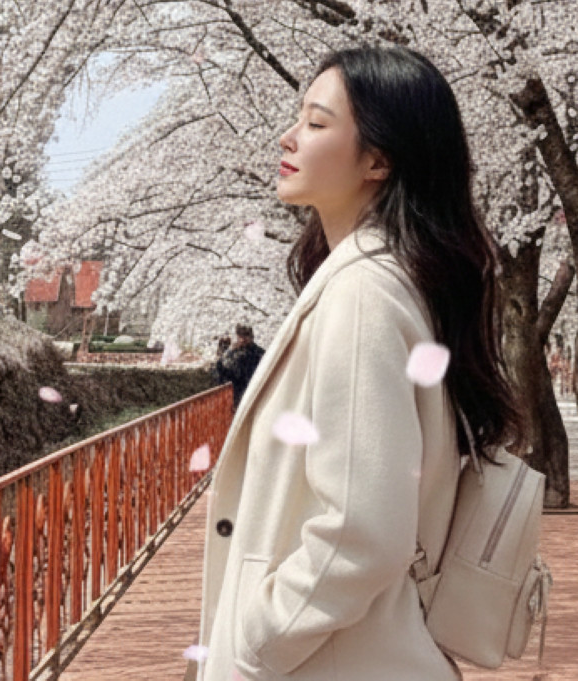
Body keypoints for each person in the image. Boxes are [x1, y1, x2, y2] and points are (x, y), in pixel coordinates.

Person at [196, 46, 521, 681]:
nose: (289, 136)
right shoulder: (381, 279)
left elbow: (361, 531)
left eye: (317, 124)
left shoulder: (363, 295)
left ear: (379, 160)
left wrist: (254, 644)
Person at [215, 324, 265, 408]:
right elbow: (221, 370)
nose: (243, 339)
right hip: (236, 394)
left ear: (251, 336)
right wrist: (226, 352)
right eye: (240, 335)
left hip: (253, 391)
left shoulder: (259, 353)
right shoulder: (233, 353)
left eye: (246, 335)